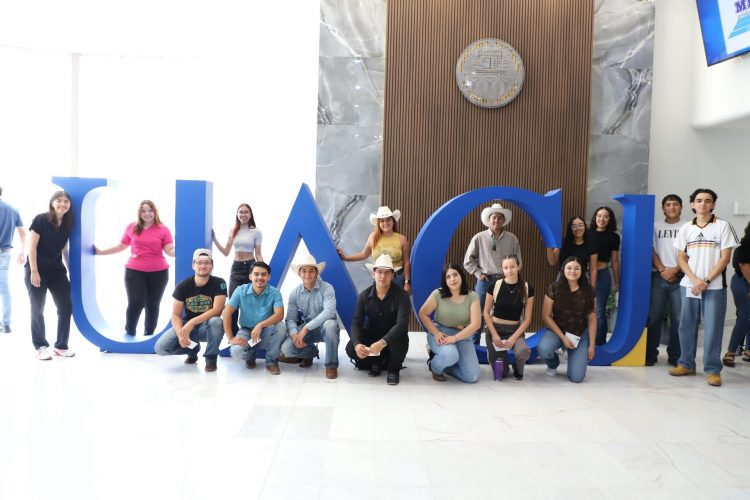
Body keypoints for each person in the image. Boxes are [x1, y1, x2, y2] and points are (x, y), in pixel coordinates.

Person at [670, 188, 739, 387]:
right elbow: (681, 258)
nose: (703, 204)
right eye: (699, 200)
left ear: (713, 204)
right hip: (689, 286)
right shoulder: (686, 228)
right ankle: (686, 364)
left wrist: (706, 281)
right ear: (692, 204)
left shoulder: (723, 226)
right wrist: (694, 280)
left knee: (713, 329)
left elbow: (725, 259)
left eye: (707, 201)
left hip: (714, 287)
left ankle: (713, 370)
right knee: (686, 326)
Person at [94, 200, 175, 336]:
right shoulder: (132, 227)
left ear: (155, 212)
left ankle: (148, 335)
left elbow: (169, 250)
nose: (147, 213)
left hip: (159, 272)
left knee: (153, 304)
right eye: (143, 211)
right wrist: (101, 252)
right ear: (139, 213)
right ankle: (130, 332)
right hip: (135, 270)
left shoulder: (163, 229)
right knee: (136, 302)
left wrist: (182, 250)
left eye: (150, 210)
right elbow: (121, 246)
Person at [154, 249, 227, 372]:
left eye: (207, 263)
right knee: (161, 348)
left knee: (216, 321)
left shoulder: (219, 283)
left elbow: (217, 310)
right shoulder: (182, 286)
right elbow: (175, 315)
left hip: (207, 328)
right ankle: (192, 349)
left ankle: (211, 358)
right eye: (199, 262)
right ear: (193, 265)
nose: (203, 266)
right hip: (188, 328)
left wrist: (192, 322)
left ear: (212, 265)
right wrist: (180, 335)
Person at [346, 254, 410, 385]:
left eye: (387, 273)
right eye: (379, 272)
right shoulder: (364, 296)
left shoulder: (402, 296)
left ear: (392, 276)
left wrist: (383, 342)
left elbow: (402, 323)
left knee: (400, 341)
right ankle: (376, 362)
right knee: (351, 348)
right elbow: (356, 323)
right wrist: (357, 344)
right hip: (372, 334)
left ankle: (393, 369)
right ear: (373, 274)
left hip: (393, 337)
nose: (383, 276)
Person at [25, 191, 74, 360]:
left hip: (57, 271)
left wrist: (71, 269)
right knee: (37, 308)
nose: (62, 204)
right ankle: (40, 346)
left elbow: (64, 249)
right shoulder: (41, 219)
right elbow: (31, 247)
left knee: (66, 307)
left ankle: (61, 346)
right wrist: (34, 271)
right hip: (37, 269)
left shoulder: (67, 223)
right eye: (59, 201)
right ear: (52, 203)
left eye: (66, 201)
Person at [464, 202, 522, 342]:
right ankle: (474, 344)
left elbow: (518, 262)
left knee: (503, 313)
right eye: (494, 217)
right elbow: (468, 261)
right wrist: (479, 273)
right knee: (478, 312)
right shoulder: (479, 237)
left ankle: (499, 344)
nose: (497, 220)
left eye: (500, 217)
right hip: (485, 281)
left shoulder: (512, 238)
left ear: (504, 220)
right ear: (489, 219)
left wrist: (510, 276)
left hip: (505, 281)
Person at [279, 255, 341, 379]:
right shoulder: (294, 293)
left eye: (311, 271)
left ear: (317, 272)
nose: (307, 274)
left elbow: (329, 312)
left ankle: (331, 365)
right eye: (304, 271)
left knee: (330, 324)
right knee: (287, 348)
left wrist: (306, 328)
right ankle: (310, 353)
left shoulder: (327, 288)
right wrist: (294, 334)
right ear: (299, 273)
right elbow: (290, 318)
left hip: (325, 327)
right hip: (308, 330)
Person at [418, 263, 481, 383]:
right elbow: (423, 314)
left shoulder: (473, 296)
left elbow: (476, 324)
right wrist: (436, 333)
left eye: (455, 275)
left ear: (461, 276)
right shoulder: (438, 294)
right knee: (450, 355)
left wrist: (455, 338)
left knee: (472, 376)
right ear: (445, 280)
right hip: (441, 332)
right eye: (448, 277)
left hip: (463, 336)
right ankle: (435, 366)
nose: (452, 279)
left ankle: (447, 365)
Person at [537, 256, 597, 383]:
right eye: (569, 268)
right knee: (543, 349)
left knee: (576, 378)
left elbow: (592, 318)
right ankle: (553, 364)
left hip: (579, 334)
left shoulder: (589, 291)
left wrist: (592, 345)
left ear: (582, 271)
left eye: (576, 268)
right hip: (557, 332)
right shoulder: (554, 288)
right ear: (563, 270)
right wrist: (563, 338)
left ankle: (571, 353)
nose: (572, 271)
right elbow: (546, 316)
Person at [223, 261, 286, 374]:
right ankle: (251, 355)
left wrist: (260, 325)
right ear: (250, 276)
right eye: (256, 274)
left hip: (266, 331)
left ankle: (271, 362)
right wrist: (230, 337)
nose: (260, 277)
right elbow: (227, 311)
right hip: (246, 331)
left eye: (263, 274)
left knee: (281, 327)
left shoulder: (275, 292)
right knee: (236, 352)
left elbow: (279, 315)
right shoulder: (240, 290)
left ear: (269, 277)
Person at [212, 203, 263, 334]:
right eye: (241, 212)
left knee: (251, 301)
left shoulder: (256, 232)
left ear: (250, 214)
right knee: (233, 301)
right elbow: (226, 252)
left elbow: (258, 253)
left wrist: (262, 270)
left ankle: (250, 331)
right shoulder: (233, 230)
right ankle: (234, 334)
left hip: (250, 267)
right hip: (236, 268)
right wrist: (214, 239)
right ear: (237, 214)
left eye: (246, 212)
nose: (243, 214)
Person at [337, 206, 412, 294]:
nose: (385, 223)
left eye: (388, 219)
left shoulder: (402, 239)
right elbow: (364, 254)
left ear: (393, 221)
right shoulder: (373, 237)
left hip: (397, 278)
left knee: (396, 302)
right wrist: (346, 258)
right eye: (382, 221)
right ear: (378, 223)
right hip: (379, 277)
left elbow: (406, 262)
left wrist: (407, 282)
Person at [646, 194, 684, 366]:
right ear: (663, 208)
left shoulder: (688, 226)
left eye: (675, 204)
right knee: (654, 317)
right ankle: (650, 354)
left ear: (681, 207)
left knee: (678, 319)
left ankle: (675, 355)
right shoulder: (655, 226)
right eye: (668, 205)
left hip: (681, 277)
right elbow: (651, 250)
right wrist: (662, 269)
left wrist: (675, 270)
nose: (672, 207)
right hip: (659, 276)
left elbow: (690, 252)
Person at [483, 255, 533, 380]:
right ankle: (493, 356)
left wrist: (513, 338)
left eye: (512, 267)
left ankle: (517, 367)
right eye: (506, 268)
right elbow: (486, 313)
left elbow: (527, 319)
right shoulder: (495, 285)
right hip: (495, 330)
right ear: (502, 269)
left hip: (514, 330)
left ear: (518, 267)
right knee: (500, 374)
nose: (509, 270)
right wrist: (494, 335)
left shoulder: (527, 288)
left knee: (524, 351)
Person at [588, 206, 620, 345]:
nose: (602, 219)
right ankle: (581, 343)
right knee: (580, 310)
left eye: (606, 216)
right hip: (585, 275)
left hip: (602, 275)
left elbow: (615, 261)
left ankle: (600, 344)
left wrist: (617, 282)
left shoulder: (613, 237)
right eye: (599, 215)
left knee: (599, 311)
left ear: (610, 219)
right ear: (595, 217)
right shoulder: (587, 234)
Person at [0, 187, 26, 333]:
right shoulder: (12, 209)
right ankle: (6, 323)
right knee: (4, 288)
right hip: (4, 252)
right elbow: (22, 233)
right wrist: (22, 251)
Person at [724, 221, 750, 367]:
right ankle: (731, 352)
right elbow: (744, 266)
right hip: (742, 282)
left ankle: (748, 351)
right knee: (744, 317)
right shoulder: (744, 247)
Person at [546, 216, 598, 285]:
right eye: (574, 226)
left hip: (582, 280)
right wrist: (548, 244)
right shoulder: (563, 242)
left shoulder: (591, 245)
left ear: (585, 227)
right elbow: (552, 262)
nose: (578, 228)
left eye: (580, 225)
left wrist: (592, 288)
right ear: (570, 229)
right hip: (563, 279)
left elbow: (593, 269)